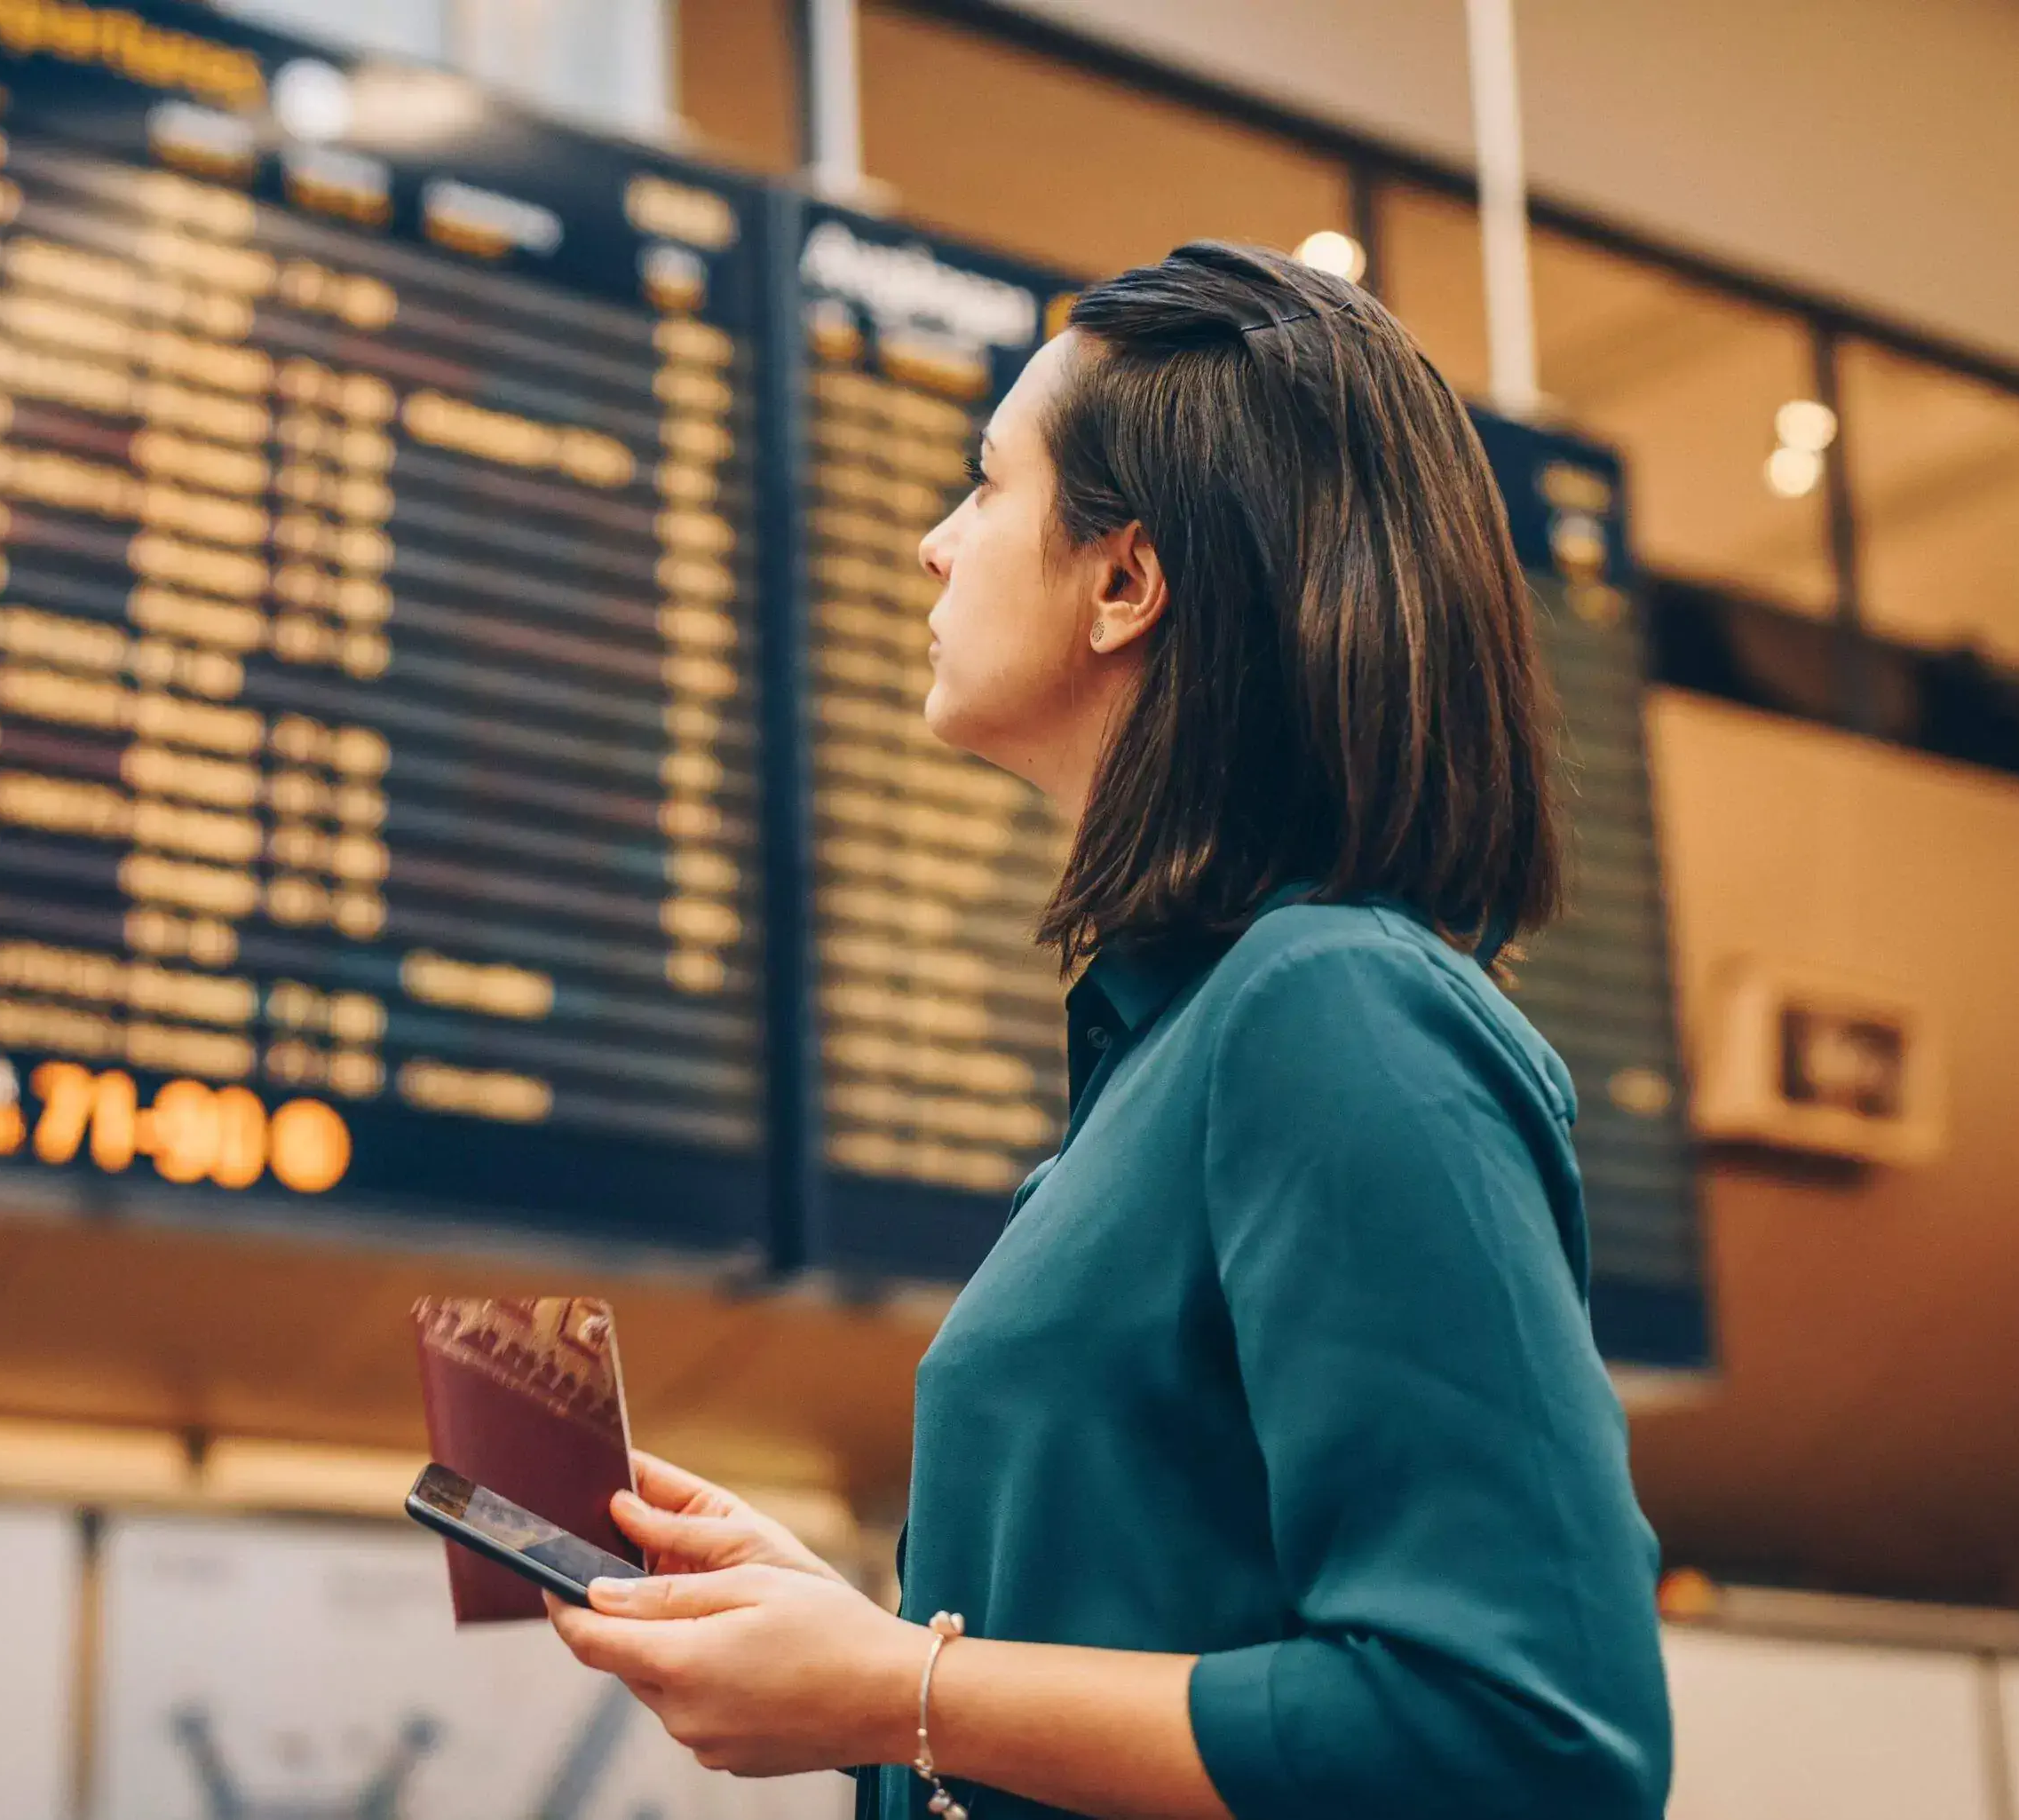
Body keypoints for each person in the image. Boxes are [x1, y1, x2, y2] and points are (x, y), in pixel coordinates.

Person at [546, 241, 1673, 1820]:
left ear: (1127, 581)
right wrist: (862, 1656)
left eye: (986, 487)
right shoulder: (1169, 1053)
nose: (936, 547)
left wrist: (902, 1687)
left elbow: (1526, 1732)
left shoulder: (1331, 1003)